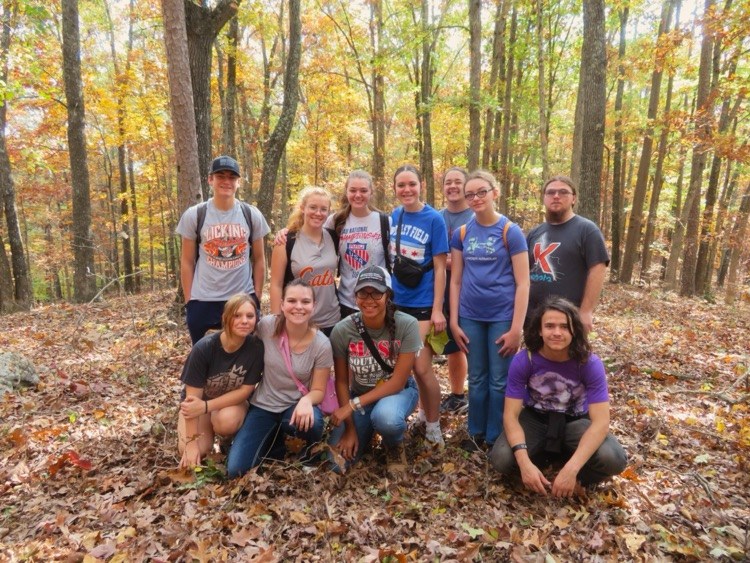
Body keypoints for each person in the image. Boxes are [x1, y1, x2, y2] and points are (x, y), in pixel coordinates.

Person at [489, 297, 628, 497]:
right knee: (501, 459)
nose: (556, 333)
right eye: (550, 326)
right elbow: (510, 416)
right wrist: (524, 463)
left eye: (564, 327)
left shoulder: (589, 363)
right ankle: (537, 468)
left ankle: (573, 472)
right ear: (539, 330)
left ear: (574, 330)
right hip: (536, 419)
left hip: (575, 421)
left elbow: (601, 422)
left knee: (613, 458)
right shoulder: (524, 360)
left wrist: (571, 471)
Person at [449, 170, 529, 451]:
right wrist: (454, 321)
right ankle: (475, 433)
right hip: (470, 316)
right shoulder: (461, 233)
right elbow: (456, 279)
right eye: (469, 194)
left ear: (495, 193)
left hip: (502, 318)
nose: (475, 198)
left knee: (499, 380)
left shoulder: (511, 232)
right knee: (478, 378)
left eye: (481, 192)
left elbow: (523, 282)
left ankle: (496, 437)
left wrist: (516, 328)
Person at [226, 280, 333, 477]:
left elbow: (318, 390)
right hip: (264, 405)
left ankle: (308, 452)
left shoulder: (322, 344)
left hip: (295, 408)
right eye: (291, 301)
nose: (298, 307)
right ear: (282, 304)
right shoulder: (267, 326)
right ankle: (276, 445)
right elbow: (239, 334)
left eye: (305, 301)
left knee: (314, 422)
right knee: (236, 470)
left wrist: (306, 400)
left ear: (314, 306)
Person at [328, 266, 422, 477]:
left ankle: (394, 444)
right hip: (361, 397)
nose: (369, 299)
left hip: (398, 393)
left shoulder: (407, 325)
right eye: (363, 292)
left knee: (386, 418)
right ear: (355, 296)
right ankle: (364, 430)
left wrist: (352, 406)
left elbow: (398, 382)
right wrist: (350, 427)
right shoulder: (342, 330)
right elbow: (342, 382)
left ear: (388, 295)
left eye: (376, 292)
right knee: (336, 465)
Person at [176, 155, 271, 344]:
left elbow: (260, 259)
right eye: (220, 176)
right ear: (210, 179)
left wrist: (257, 297)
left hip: (242, 296)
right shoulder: (195, 215)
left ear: (238, 182)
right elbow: (187, 261)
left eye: (231, 177)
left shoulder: (251, 214)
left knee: (245, 358)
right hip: (203, 299)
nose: (226, 181)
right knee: (205, 358)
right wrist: (190, 301)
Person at [274, 171, 391, 319]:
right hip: (345, 303)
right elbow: (311, 228)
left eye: (363, 190)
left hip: (375, 301)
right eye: (353, 190)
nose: (358, 195)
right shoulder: (336, 221)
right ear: (346, 192)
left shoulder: (385, 222)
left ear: (371, 192)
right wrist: (286, 232)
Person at [390, 164, 449, 446]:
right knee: (411, 367)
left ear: (421, 184)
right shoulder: (394, 216)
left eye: (411, 184)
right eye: (401, 185)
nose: (407, 190)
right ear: (395, 189)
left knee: (422, 366)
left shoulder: (434, 219)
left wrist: (438, 308)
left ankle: (434, 427)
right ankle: (425, 415)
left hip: (424, 302)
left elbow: (440, 268)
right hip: (397, 301)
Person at [177, 294, 264, 468]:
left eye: (250, 316)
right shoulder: (204, 348)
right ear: (225, 318)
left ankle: (228, 440)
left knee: (227, 421)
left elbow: (245, 391)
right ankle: (203, 433)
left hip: (227, 405)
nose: (244, 321)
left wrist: (208, 406)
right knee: (199, 452)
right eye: (237, 315)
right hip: (198, 407)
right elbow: (191, 402)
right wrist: (192, 444)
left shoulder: (256, 348)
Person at [527, 175, 609, 333]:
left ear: (574, 199)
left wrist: (586, 311)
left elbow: (598, 269)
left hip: (568, 319)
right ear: (544, 198)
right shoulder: (535, 233)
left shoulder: (586, 230)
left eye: (563, 192)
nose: (556, 196)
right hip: (534, 317)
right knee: (535, 358)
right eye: (550, 192)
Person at [269, 187, 341, 336]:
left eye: (323, 209)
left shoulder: (334, 237)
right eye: (313, 207)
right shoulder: (286, 241)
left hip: (332, 320)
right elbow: (275, 284)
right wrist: (277, 320)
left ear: (329, 212)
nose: (318, 213)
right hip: (299, 321)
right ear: (303, 208)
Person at [438, 167, 473, 413]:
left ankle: (473, 394)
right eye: (448, 182)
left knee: (469, 343)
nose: (452, 186)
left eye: (457, 182)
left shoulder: (475, 216)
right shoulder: (436, 217)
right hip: (440, 289)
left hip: (470, 288)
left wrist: (447, 260)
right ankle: (457, 394)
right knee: (451, 345)